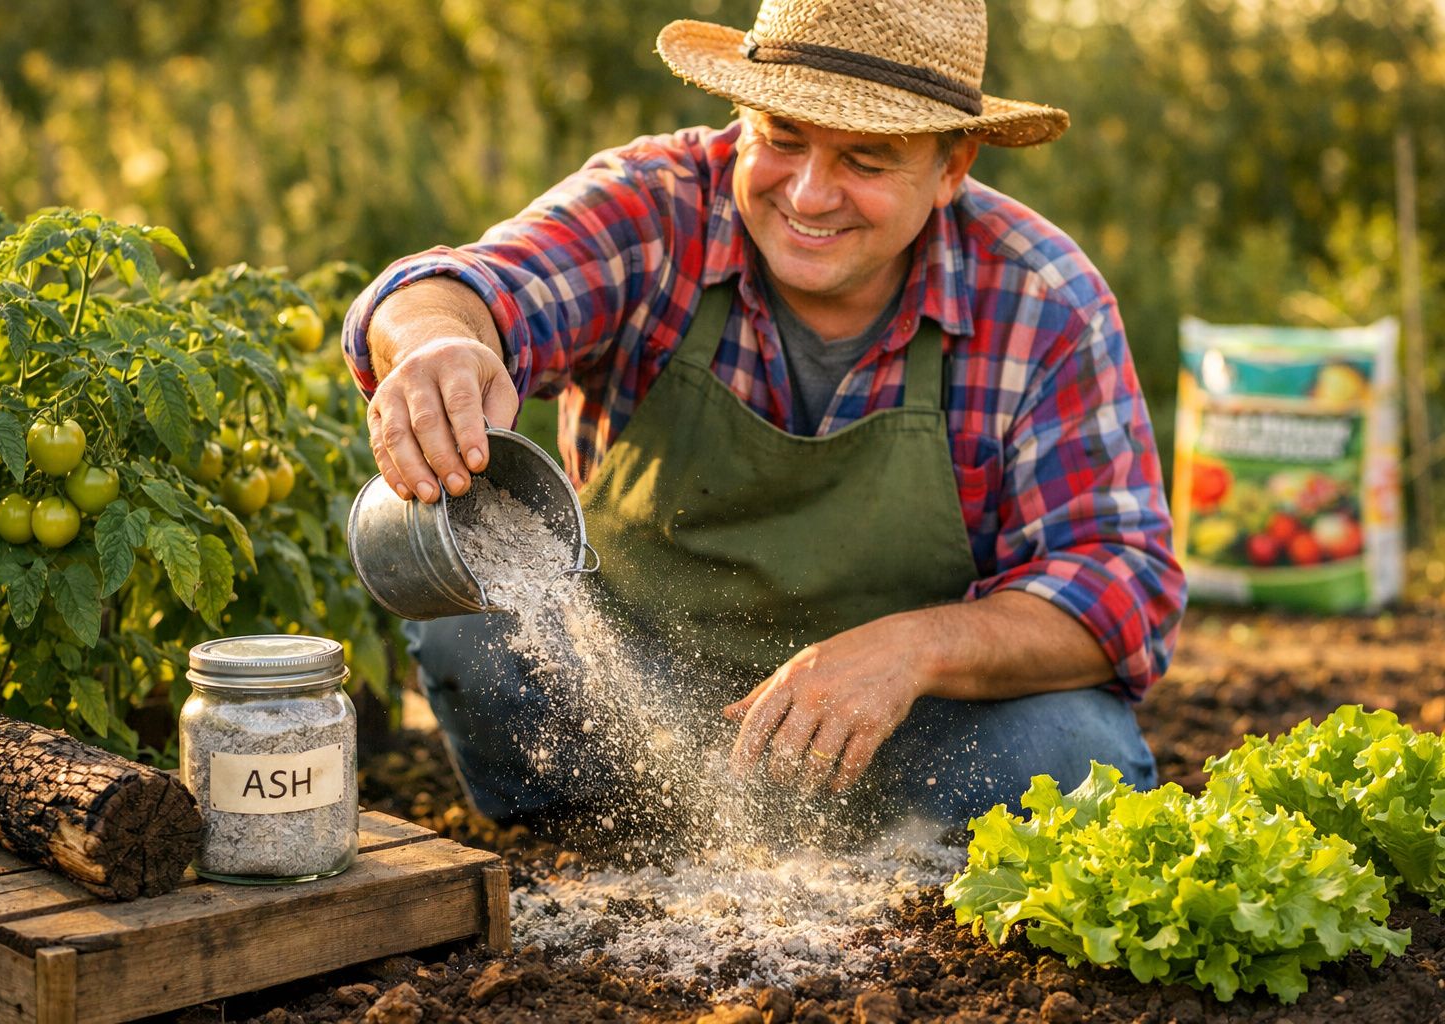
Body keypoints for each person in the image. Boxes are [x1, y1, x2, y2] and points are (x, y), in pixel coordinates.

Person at [342, 0, 1185, 835]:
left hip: (896, 730)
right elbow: (463, 286)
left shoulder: (1043, 301)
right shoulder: (658, 208)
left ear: (952, 165)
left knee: (1072, 751)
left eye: (866, 158)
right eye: (782, 138)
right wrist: (434, 344)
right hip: (635, 710)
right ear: (740, 117)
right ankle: (600, 838)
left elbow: (1122, 585)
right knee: (469, 628)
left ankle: (890, 848)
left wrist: (909, 651)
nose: (811, 195)